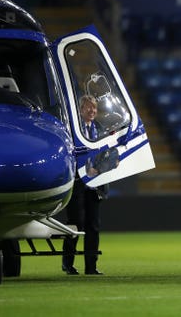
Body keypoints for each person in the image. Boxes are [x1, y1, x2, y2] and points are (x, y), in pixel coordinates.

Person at [62, 94, 106, 275]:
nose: (92, 111)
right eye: (88, 107)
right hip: (78, 185)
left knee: (93, 226)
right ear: (80, 110)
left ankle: (91, 266)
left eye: (94, 108)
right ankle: (68, 263)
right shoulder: (73, 130)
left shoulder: (101, 129)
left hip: (95, 186)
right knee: (75, 223)